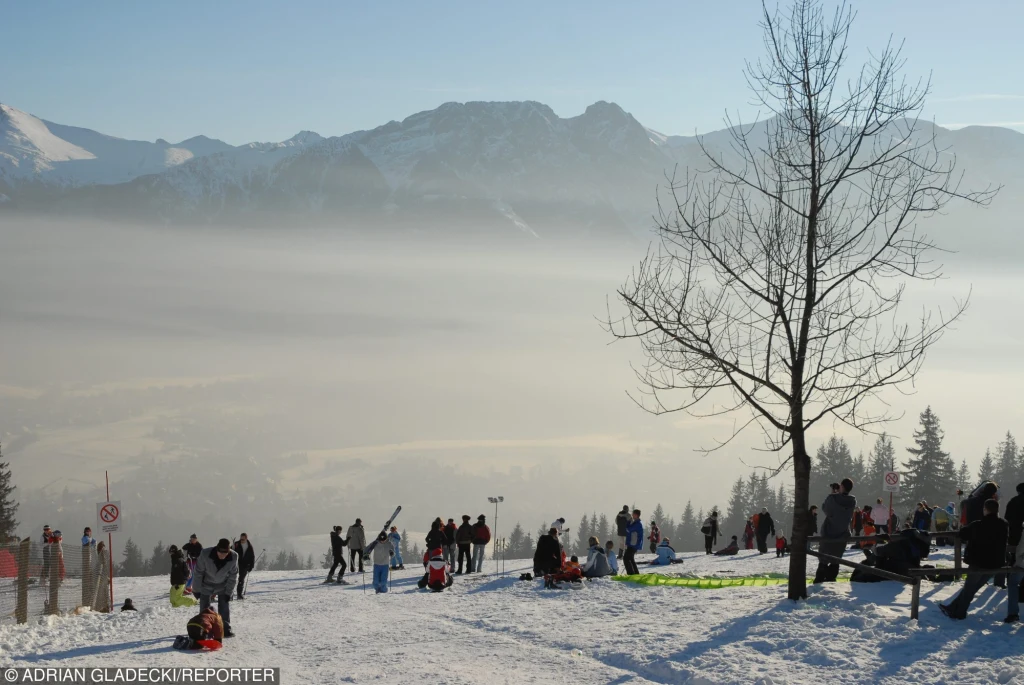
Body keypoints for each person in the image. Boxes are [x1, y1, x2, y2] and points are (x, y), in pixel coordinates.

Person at [940, 499, 1008, 620]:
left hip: (978, 562)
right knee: (972, 588)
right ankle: (952, 606)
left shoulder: (978, 524)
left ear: (986, 509)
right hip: (996, 563)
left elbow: (963, 534)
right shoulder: (1003, 524)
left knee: (969, 588)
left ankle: (959, 613)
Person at [813, 478, 856, 584]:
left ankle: (819, 581)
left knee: (823, 560)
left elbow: (825, 509)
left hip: (829, 533)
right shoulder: (852, 501)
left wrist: (833, 494)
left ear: (841, 486)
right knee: (836, 560)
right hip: (842, 534)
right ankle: (831, 581)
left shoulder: (832, 498)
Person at [192, 538, 238, 638]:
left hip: (223, 585)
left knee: (224, 606)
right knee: (205, 608)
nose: (222, 555)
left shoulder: (234, 557)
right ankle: (204, 629)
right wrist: (196, 589)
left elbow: (233, 576)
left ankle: (225, 629)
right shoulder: (205, 554)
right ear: (216, 549)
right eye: (220, 553)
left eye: (225, 553)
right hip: (206, 583)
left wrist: (228, 592)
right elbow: (198, 572)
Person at [851, 529, 931, 582]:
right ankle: (868, 560)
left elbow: (878, 551)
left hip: (893, 572)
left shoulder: (897, 545)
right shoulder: (913, 544)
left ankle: (867, 561)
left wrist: (882, 541)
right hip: (908, 570)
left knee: (857, 578)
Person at [232, 533, 256, 600]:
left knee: (241, 580)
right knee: (232, 579)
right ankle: (230, 594)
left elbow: (252, 556)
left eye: (243, 539)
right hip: (236, 564)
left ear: (246, 538)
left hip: (245, 565)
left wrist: (251, 566)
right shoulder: (236, 544)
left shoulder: (249, 546)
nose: (241, 540)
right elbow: (230, 552)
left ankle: (239, 594)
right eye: (241, 538)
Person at [624, 509, 643, 576]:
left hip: (633, 544)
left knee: (626, 558)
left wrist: (628, 522)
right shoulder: (636, 523)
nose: (632, 515)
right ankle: (635, 573)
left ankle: (631, 574)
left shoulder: (637, 524)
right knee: (631, 559)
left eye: (633, 514)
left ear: (636, 515)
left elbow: (628, 529)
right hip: (632, 544)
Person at [93, 541, 110, 612]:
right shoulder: (97, 556)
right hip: (98, 578)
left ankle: (106, 608)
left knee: (105, 594)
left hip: (104, 578)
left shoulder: (105, 554)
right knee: (99, 595)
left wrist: (107, 577)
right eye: (102, 546)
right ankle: (100, 609)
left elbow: (106, 566)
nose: (103, 548)